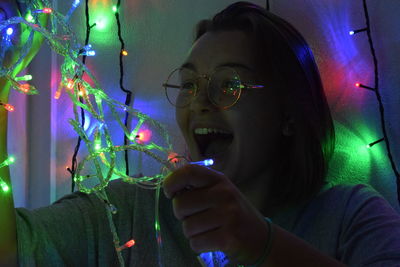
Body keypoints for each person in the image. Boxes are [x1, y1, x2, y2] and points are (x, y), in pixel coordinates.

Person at [1, 1, 400, 266]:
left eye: (230, 85)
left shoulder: (350, 218)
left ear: (288, 114)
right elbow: (10, 251)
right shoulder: (131, 210)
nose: (199, 102)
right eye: (189, 85)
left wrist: (259, 242)